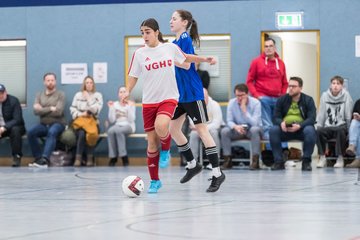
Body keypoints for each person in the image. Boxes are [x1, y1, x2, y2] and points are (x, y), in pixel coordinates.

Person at [124, 18, 216, 193]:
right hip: (149, 101)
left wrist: (204, 58)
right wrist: (128, 90)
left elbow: (185, 58)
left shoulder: (169, 48)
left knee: (162, 125)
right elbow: (133, 75)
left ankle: (166, 148)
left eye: (148, 32)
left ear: (157, 32)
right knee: (151, 143)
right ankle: (155, 181)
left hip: (169, 98)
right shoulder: (139, 54)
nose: (145, 36)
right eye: (142, 32)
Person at [169, 9, 225, 192]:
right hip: (181, 95)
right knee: (173, 129)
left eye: (174, 18)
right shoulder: (175, 42)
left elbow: (186, 64)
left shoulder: (184, 39)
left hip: (193, 93)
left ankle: (217, 173)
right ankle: (193, 164)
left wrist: (169, 58)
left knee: (202, 131)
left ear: (184, 22)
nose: (170, 21)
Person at [269, 76, 317, 171]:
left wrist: (300, 125)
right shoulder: (282, 99)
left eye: (294, 86)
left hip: (301, 130)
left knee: (310, 130)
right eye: (289, 86)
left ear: (300, 88)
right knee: (273, 130)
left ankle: (306, 161)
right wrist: (281, 123)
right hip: (285, 130)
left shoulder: (308, 100)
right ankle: (278, 162)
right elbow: (275, 117)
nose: (290, 88)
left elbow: (311, 118)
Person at [246, 37, 288, 140]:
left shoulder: (281, 63)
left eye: (270, 46)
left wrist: (282, 96)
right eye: (266, 46)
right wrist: (257, 96)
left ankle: (282, 151)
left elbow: (285, 82)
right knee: (267, 125)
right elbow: (249, 81)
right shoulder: (256, 62)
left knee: (279, 125)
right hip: (263, 99)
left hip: (278, 99)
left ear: (275, 48)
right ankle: (269, 152)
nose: (268, 48)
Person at [27, 73, 66, 168]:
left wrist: (42, 109)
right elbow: (36, 111)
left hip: (58, 123)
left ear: (55, 82)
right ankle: (38, 158)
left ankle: (45, 160)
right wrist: (50, 108)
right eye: (48, 80)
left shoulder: (61, 94)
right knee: (31, 132)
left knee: (52, 132)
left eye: (52, 80)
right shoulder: (39, 95)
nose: (50, 82)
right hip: (43, 124)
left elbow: (59, 112)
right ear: (44, 82)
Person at [220, 83, 262, 170]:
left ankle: (255, 161)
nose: (239, 98)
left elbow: (255, 123)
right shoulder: (232, 103)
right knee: (224, 131)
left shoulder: (256, 103)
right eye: (237, 95)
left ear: (247, 94)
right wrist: (235, 127)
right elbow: (229, 121)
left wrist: (244, 111)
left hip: (251, 130)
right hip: (238, 129)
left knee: (254, 130)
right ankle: (227, 160)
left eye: (242, 95)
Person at [316, 75, 353, 168]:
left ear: (342, 86)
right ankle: (322, 157)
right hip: (328, 126)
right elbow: (321, 113)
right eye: (333, 83)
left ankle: (340, 158)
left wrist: (349, 131)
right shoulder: (325, 95)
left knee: (341, 131)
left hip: (341, 125)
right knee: (319, 131)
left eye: (338, 83)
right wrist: (319, 125)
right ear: (330, 85)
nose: (335, 86)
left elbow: (348, 114)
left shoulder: (346, 95)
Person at [70, 76, 103, 167]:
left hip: (92, 121)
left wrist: (89, 98)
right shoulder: (78, 95)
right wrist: (81, 114)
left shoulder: (98, 95)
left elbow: (96, 110)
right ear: (84, 84)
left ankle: (89, 158)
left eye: (90, 82)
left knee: (91, 134)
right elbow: (73, 109)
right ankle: (78, 158)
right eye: (87, 83)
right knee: (81, 134)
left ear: (93, 84)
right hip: (80, 121)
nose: (89, 84)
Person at [189, 88, 223, 168]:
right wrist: (200, 129)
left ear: (207, 96)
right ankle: (193, 163)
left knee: (214, 132)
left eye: (204, 97)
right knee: (193, 134)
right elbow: (192, 122)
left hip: (212, 128)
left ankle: (215, 162)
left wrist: (203, 129)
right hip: (199, 129)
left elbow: (217, 123)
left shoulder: (215, 105)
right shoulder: (194, 105)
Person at [107, 86, 136, 166]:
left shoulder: (130, 104)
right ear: (118, 94)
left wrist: (129, 107)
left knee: (118, 131)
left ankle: (124, 156)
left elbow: (131, 120)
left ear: (127, 94)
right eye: (121, 92)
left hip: (129, 125)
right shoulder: (115, 104)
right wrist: (111, 108)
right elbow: (112, 120)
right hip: (118, 124)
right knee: (110, 131)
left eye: (124, 92)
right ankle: (113, 157)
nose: (122, 94)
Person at [0, 84, 26, 167]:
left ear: (5, 92)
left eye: (2, 93)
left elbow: (17, 119)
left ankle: (16, 156)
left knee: (15, 130)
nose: (0, 95)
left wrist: (4, 127)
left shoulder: (13, 101)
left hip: (14, 127)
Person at [345, 98, 360, 168]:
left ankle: (358, 158)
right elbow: (353, 116)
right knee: (354, 122)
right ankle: (352, 146)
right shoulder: (358, 102)